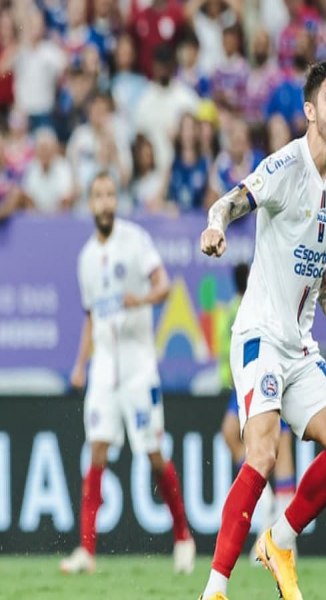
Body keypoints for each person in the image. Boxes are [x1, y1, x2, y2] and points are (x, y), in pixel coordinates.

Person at [198, 61, 326, 600]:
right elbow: (231, 200)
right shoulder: (286, 165)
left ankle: (280, 540)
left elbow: (325, 268)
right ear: (310, 111)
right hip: (260, 336)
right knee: (263, 454)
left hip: (301, 345)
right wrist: (216, 225)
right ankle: (215, 590)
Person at [60, 171, 195, 575]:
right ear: (90, 203)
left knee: (153, 454)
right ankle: (87, 550)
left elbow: (165, 286)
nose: (104, 203)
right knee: (96, 449)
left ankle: (184, 538)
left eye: (110, 195)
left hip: (138, 366)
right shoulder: (85, 258)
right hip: (103, 367)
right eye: (97, 196)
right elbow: (89, 318)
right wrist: (80, 364)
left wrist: (143, 299)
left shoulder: (135, 240)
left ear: (116, 200)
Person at [216, 263, 297, 548]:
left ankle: (282, 534)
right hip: (253, 378)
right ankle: (270, 507)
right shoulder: (260, 304)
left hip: (260, 377)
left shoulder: (232, 310)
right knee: (271, 446)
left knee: (269, 445)